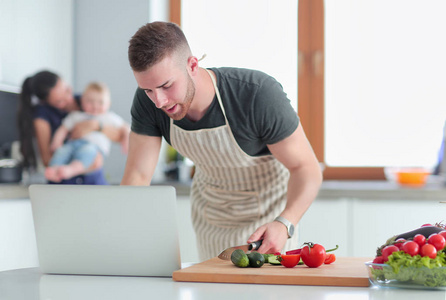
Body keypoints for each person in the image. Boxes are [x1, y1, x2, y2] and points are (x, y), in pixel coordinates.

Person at [121, 21, 323, 261]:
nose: (159, 101)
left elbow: (307, 168)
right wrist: (122, 236)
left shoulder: (258, 95)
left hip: (269, 223)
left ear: (192, 65)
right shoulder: (149, 102)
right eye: (148, 90)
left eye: (166, 86)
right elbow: (137, 176)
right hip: (211, 222)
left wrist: (285, 222)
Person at [18, 70, 123, 184]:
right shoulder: (42, 116)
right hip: (65, 184)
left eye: (67, 90)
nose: (69, 99)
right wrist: (81, 165)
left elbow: (118, 136)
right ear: (46, 102)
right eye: (59, 101)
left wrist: (95, 125)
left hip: (93, 181)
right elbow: (47, 160)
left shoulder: (88, 100)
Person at [45, 82, 129, 182]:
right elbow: (63, 129)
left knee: (87, 152)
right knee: (61, 151)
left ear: (108, 104)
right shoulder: (76, 115)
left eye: (100, 102)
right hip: (73, 145)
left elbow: (126, 127)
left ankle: (70, 170)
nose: (95, 106)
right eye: (90, 101)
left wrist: (126, 141)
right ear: (82, 101)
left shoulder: (108, 117)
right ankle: (53, 170)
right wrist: (57, 142)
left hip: (94, 147)